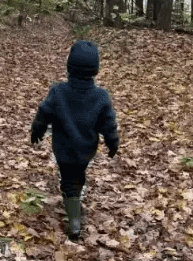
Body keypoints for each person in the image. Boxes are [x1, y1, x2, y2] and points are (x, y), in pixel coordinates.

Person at [30, 40, 119, 240]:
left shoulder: (58, 91)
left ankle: (74, 213)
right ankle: (74, 207)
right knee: (75, 176)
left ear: (69, 65)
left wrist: (37, 130)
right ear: (95, 68)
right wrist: (113, 142)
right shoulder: (101, 96)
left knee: (70, 179)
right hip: (86, 149)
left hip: (62, 148)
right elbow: (108, 123)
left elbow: (44, 112)